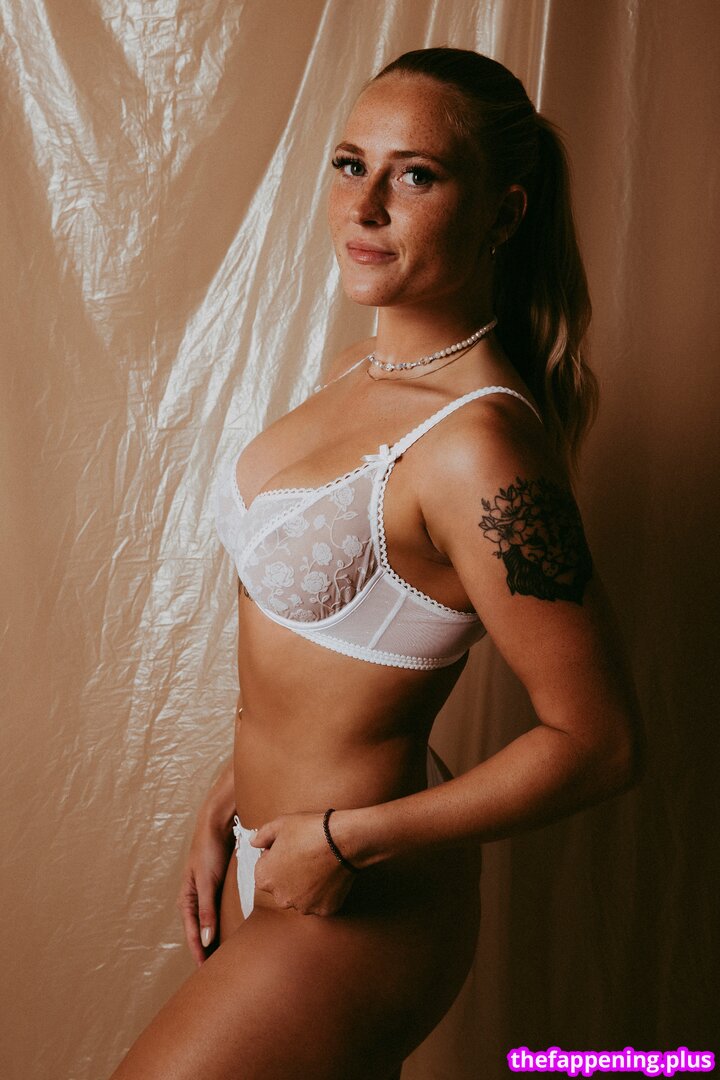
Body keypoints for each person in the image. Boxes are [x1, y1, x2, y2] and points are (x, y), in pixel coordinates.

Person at [110, 46, 644, 1080]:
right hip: (274, 856)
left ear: (503, 212)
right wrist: (234, 788)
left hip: (361, 893)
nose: (365, 207)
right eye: (351, 164)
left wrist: (345, 840)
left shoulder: (479, 448)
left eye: (417, 175)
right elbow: (331, 655)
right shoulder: (361, 365)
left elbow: (602, 742)